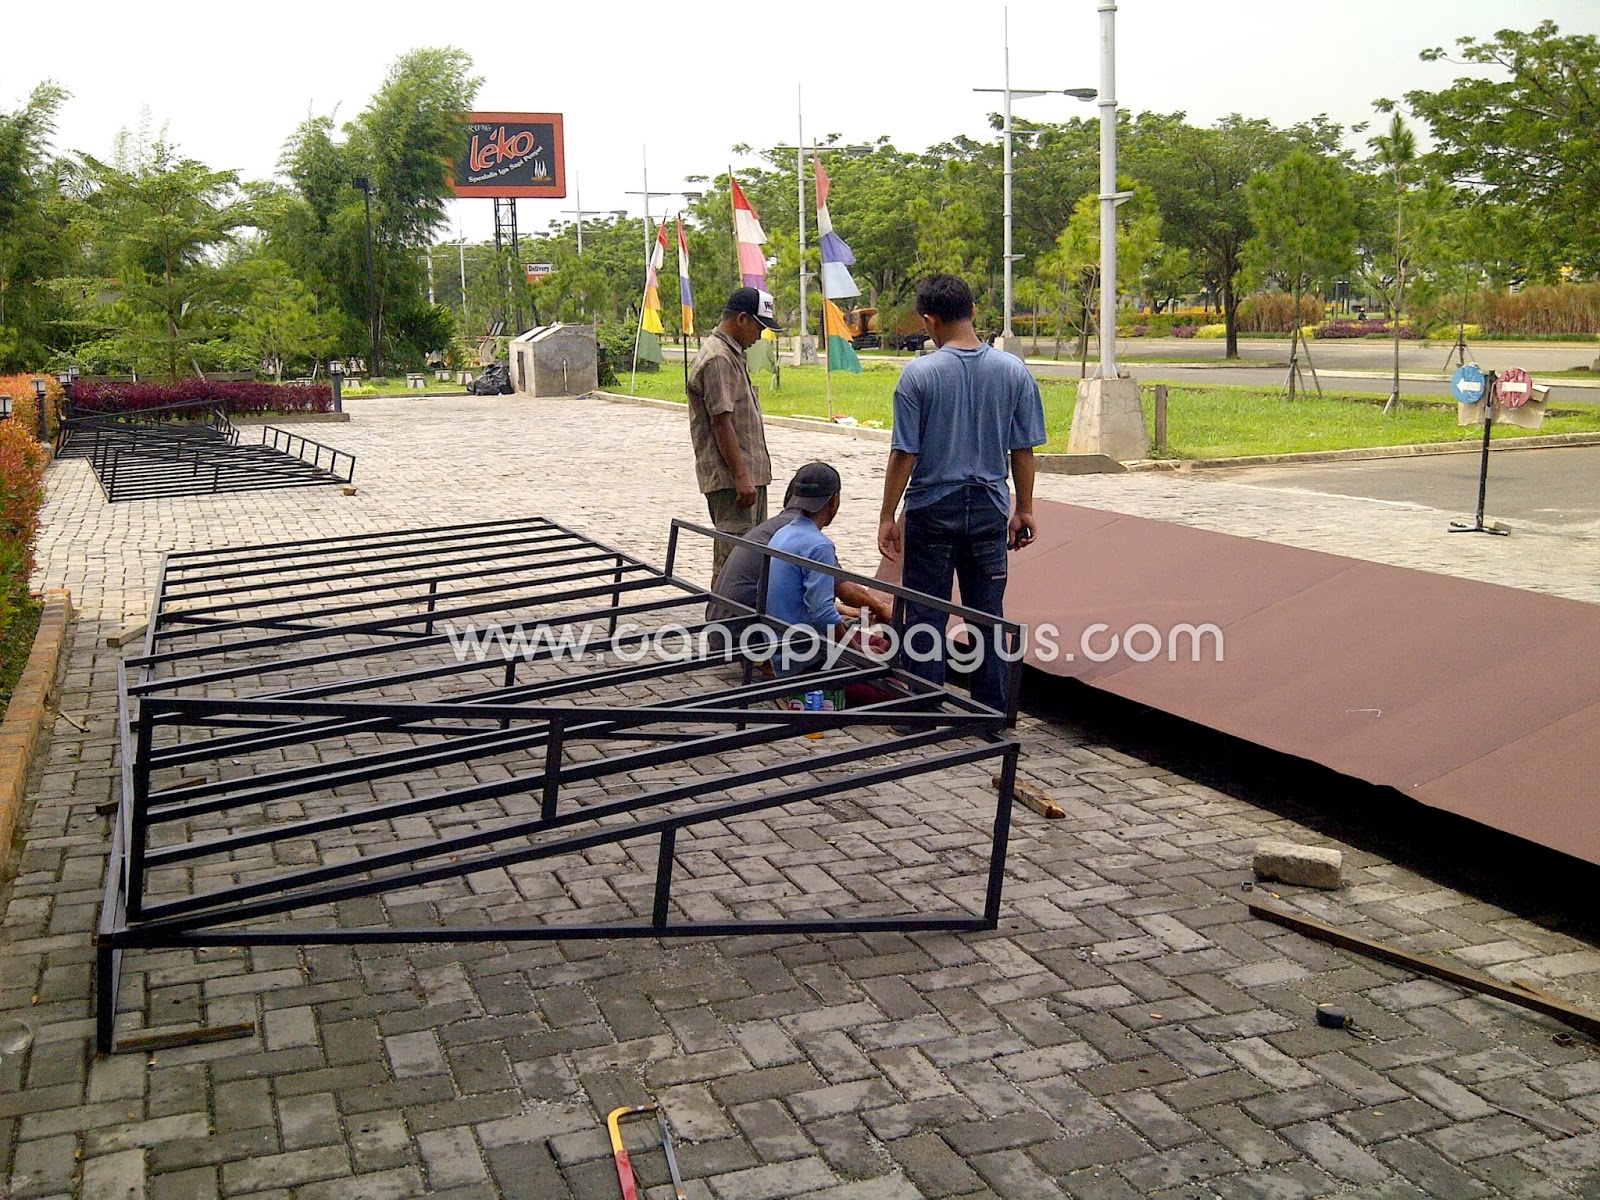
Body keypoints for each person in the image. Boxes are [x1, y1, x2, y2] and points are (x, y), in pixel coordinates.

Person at [877, 273, 1046, 712]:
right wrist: (1023, 509)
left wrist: (887, 516)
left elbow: (904, 453)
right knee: (987, 614)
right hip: (990, 507)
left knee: (926, 613)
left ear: (929, 320)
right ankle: (991, 710)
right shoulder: (1014, 372)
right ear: (973, 310)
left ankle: (922, 708)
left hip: (933, 507)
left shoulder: (918, 376)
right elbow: (1022, 448)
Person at [707, 462, 893, 627]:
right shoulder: (809, 539)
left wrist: (843, 610)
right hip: (745, 630)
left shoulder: (777, 528)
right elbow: (842, 589)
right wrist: (882, 608)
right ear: (834, 501)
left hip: (721, 624)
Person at [687, 287, 780, 583]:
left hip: (749, 476)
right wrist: (742, 477)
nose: (760, 336)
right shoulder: (718, 359)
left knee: (751, 556)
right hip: (734, 481)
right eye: (759, 327)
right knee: (733, 560)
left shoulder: (732, 354)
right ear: (742, 319)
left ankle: (743, 620)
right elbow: (721, 422)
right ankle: (723, 622)